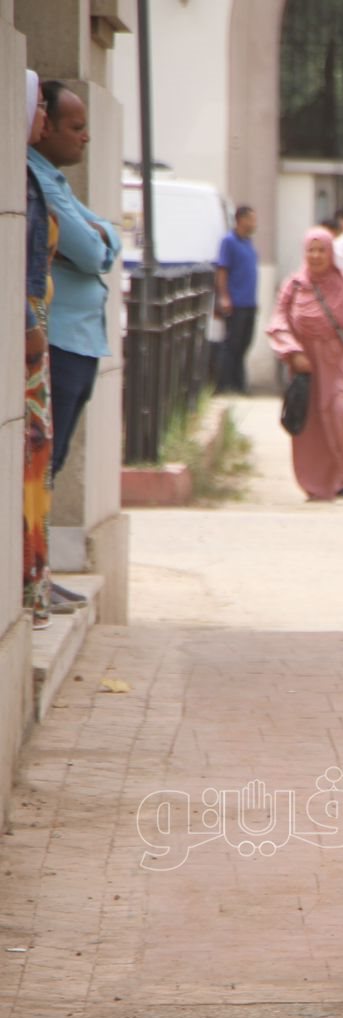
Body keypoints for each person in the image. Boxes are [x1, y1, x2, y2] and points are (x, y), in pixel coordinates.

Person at [28, 81, 122, 476]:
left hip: (78, 341)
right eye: (76, 127)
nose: (86, 137)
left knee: (56, 458)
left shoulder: (53, 179)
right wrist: (95, 238)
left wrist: (98, 236)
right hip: (59, 341)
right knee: (46, 462)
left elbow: (108, 235)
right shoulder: (37, 179)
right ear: (46, 124)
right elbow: (90, 252)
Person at [266, 227, 343, 501]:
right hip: (306, 368)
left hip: (339, 363)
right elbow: (278, 321)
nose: (316, 256)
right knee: (311, 424)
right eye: (311, 250)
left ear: (331, 253)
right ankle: (318, 483)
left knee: (341, 412)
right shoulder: (294, 286)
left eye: (321, 250)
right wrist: (293, 351)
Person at [22, 70, 57, 630]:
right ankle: (29, 583)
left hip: (35, 338)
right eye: (41, 105)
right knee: (32, 461)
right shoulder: (22, 182)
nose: (44, 116)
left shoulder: (29, 175)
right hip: (28, 344)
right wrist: (30, 326)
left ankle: (34, 583)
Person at [214, 206, 260, 394]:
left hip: (249, 303)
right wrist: (224, 297)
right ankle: (226, 384)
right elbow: (222, 270)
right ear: (241, 219)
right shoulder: (229, 241)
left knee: (243, 345)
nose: (254, 224)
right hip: (236, 302)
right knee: (232, 344)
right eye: (251, 219)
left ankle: (239, 384)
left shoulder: (248, 242)